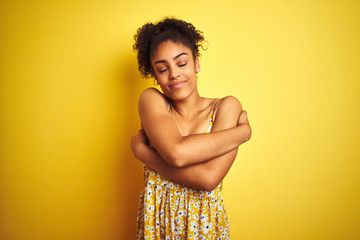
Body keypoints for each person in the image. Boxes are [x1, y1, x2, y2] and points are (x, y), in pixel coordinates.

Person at [131, 17, 251, 240]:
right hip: (157, 226)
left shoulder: (225, 107)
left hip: (202, 229)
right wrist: (241, 133)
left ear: (196, 63)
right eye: (162, 69)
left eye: (182, 63)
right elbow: (177, 153)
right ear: (155, 76)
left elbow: (208, 179)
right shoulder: (152, 101)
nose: (174, 74)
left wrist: (145, 154)